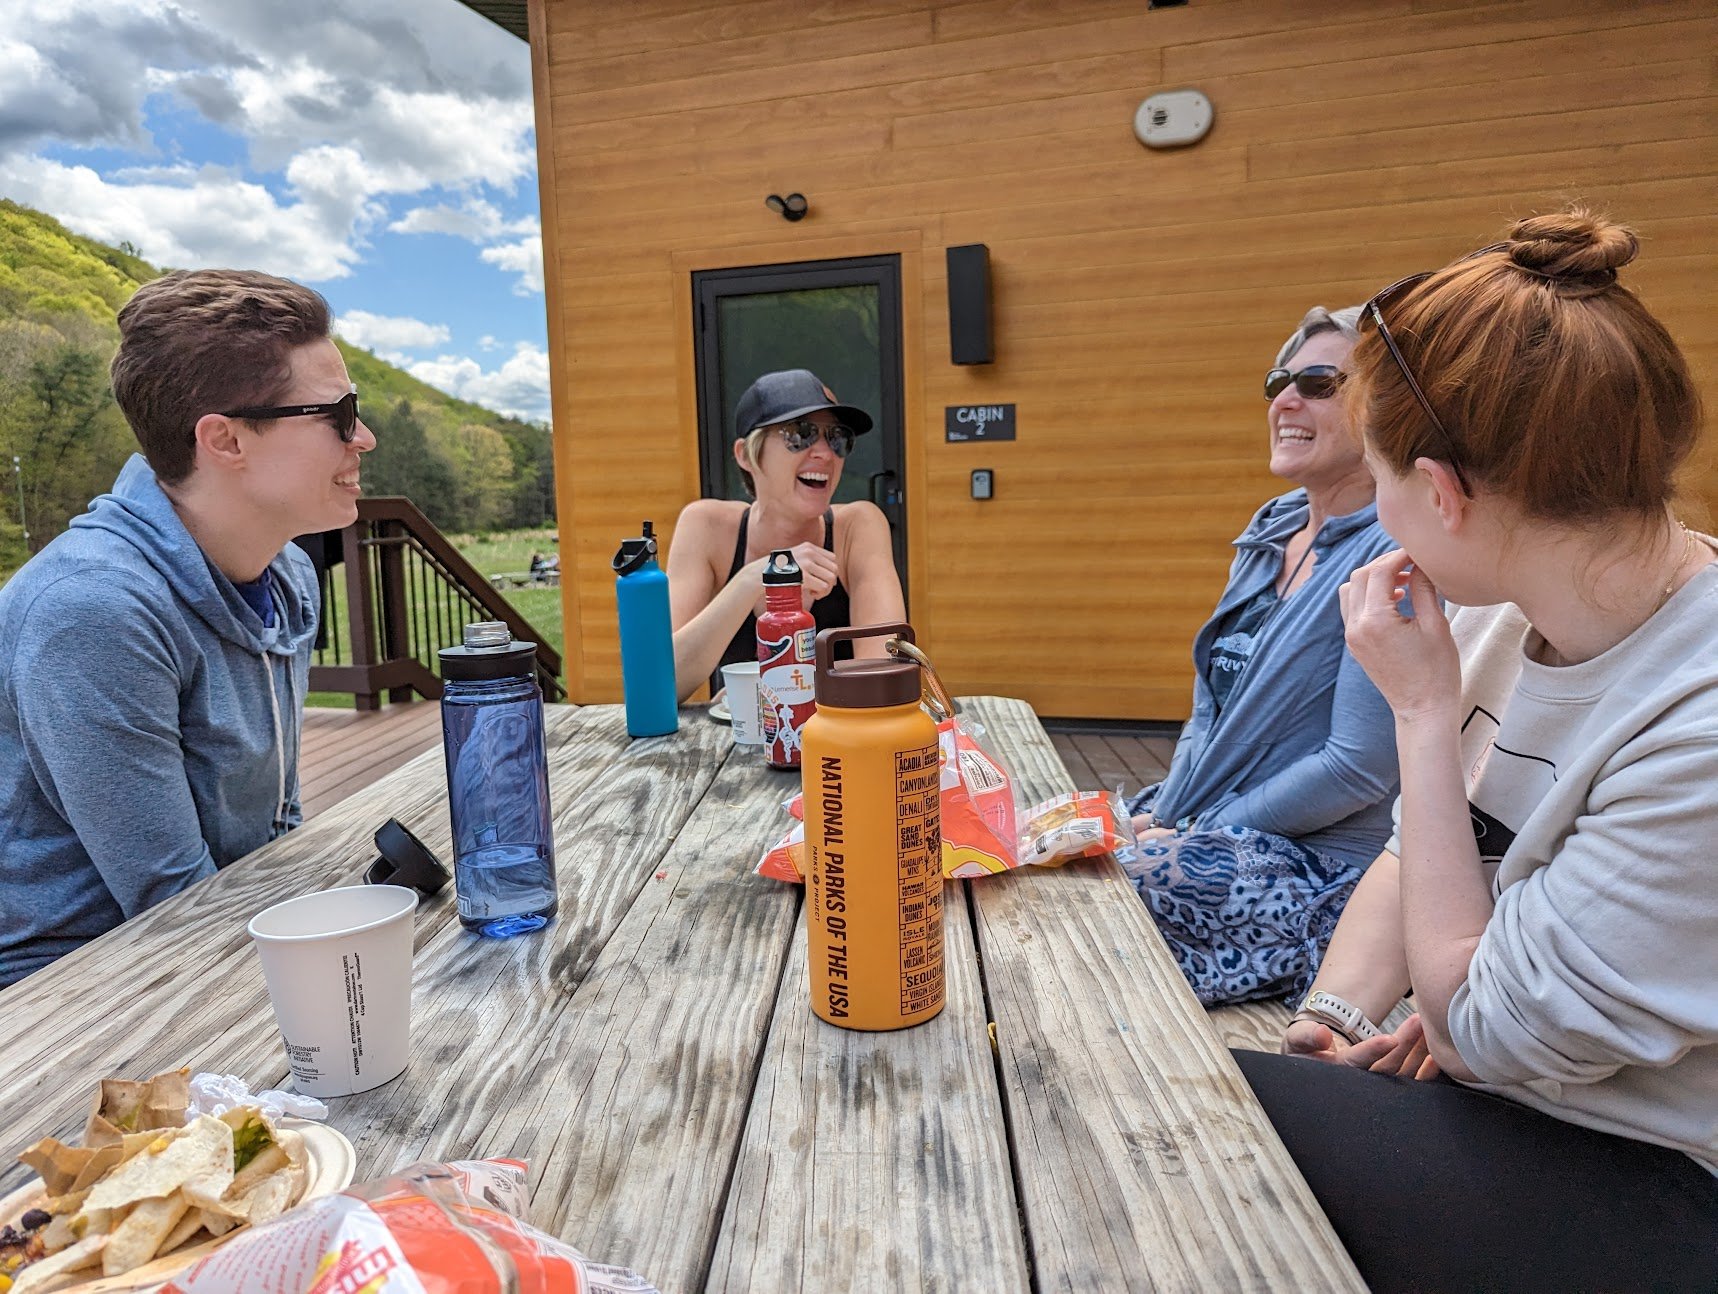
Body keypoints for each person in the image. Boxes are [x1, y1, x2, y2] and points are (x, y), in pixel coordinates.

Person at [1235, 210, 1718, 1291]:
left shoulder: (1695, 723)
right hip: (1515, 1091)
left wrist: (1414, 714)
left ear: (1440, 493)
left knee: (1196, 1145)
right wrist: (1334, 1013)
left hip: (1661, 1175)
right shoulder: (1509, 610)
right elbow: (1419, 855)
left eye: (1383, 484)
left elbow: (1484, 1027)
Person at [0, 269, 376, 987]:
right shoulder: (94, 612)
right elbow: (174, 904)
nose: (363, 437)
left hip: (222, 939)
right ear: (226, 440)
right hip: (60, 1000)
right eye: (337, 413)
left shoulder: (286, 574)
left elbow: (269, 837)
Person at [1122, 307, 1399, 1005]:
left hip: (1327, 870)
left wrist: (1193, 826)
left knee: (1112, 885)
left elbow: (1357, 768)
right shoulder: (1272, 528)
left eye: (1317, 382)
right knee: (1059, 839)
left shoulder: (1393, 556)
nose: (1284, 400)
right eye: (1280, 380)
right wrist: (1176, 810)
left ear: (1384, 406)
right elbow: (1208, 704)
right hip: (1217, 824)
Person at [666, 368, 906, 700]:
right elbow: (662, 684)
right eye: (801, 434)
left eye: (836, 437)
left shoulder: (858, 527)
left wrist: (766, 691)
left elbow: (883, 676)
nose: (824, 452)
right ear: (746, 454)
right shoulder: (706, 526)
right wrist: (752, 581)